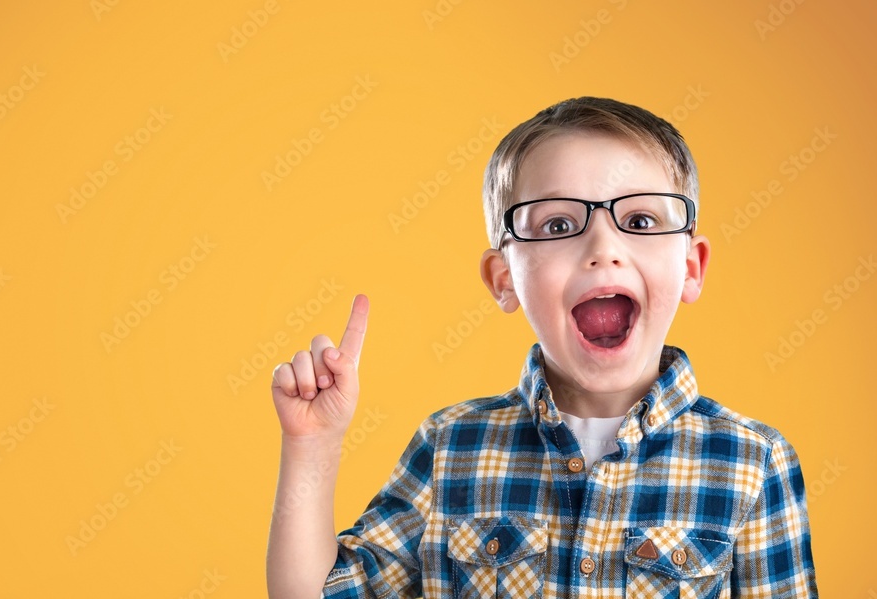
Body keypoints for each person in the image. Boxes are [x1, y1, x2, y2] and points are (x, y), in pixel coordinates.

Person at [266, 97, 817, 598]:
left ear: (691, 268)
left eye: (640, 220)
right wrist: (312, 447)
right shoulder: (450, 447)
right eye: (558, 224)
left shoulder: (754, 463)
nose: (604, 248)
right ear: (503, 278)